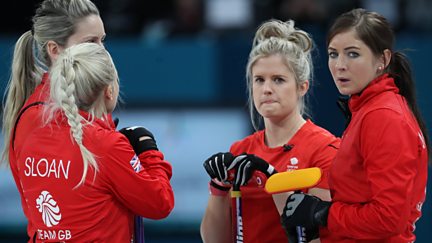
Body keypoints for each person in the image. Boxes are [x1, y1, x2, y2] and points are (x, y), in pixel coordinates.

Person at [281, 8, 430, 242]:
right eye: (333, 54)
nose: (340, 65)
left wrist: (322, 213)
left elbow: (389, 218)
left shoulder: (383, 116)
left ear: (383, 59)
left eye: (352, 54)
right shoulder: (369, 109)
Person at [14, 42, 174, 242]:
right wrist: (147, 150)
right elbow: (159, 203)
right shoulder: (107, 145)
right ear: (109, 90)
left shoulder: (33, 138)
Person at [200, 19, 340, 243]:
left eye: (278, 80)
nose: (267, 89)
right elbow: (214, 240)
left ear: (302, 87)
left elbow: (316, 238)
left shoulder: (325, 149)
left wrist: (272, 178)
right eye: (259, 80)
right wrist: (219, 186)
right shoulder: (241, 150)